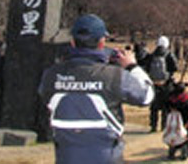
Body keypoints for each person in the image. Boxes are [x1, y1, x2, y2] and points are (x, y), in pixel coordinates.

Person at [38, 14, 155, 163]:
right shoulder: (113, 76)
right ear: (102, 43)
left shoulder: (51, 75)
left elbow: (44, 94)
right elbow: (147, 96)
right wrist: (132, 66)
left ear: (72, 42)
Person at [144, 35, 178, 132]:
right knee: (165, 106)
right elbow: (175, 67)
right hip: (166, 83)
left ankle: (153, 125)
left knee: (154, 107)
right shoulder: (168, 54)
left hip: (154, 83)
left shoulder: (152, 55)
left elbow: (146, 67)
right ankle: (164, 125)